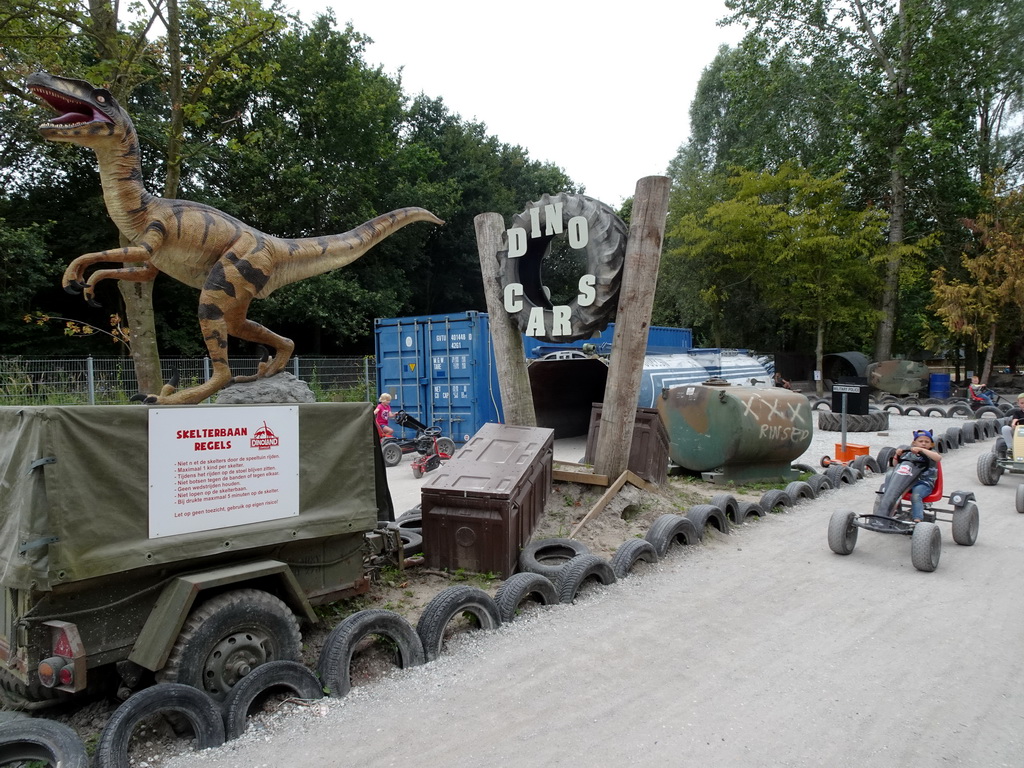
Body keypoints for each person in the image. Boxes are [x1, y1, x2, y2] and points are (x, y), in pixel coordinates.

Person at [893, 430, 941, 523]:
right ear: (914, 443)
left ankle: (917, 519)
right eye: (920, 441)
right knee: (892, 488)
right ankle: (891, 511)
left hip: (924, 483)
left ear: (931, 445)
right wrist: (897, 454)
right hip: (907, 481)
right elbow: (895, 465)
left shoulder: (931, 453)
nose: (923, 444)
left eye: (927, 442)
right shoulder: (909, 453)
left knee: (916, 495)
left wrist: (922, 450)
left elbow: (938, 458)